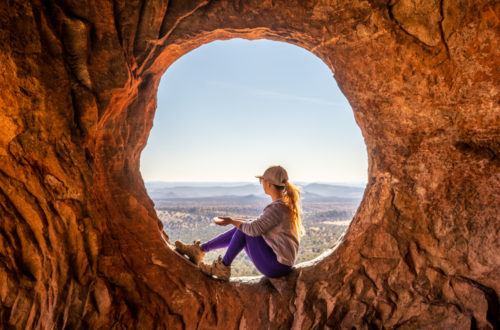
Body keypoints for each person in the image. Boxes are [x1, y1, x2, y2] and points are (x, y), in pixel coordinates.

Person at [174, 165, 305, 281]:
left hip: (276, 267)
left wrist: (232, 221)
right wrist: (233, 221)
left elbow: (253, 229)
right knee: (243, 227)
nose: (261, 183)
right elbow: (254, 224)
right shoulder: (282, 206)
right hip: (279, 264)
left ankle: (222, 267)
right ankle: (200, 250)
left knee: (244, 230)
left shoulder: (277, 208)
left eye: (262, 180)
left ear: (269, 184)